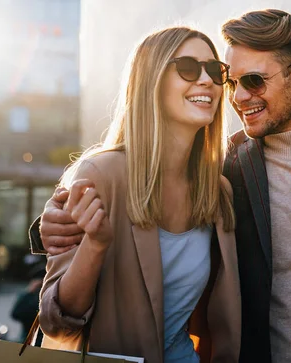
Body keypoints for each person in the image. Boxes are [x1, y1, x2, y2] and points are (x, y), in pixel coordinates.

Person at [31, 9, 291, 363]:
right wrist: (49, 226)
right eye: (233, 81)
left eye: (253, 81)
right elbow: (126, 208)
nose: (238, 96)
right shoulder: (229, 168)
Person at [34, 27, 240, 363]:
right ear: (151, 82)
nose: (207, 80)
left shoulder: (218, 192)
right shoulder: (101, 174)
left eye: (216, 71)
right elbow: (56, 323)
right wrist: (95, 245)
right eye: (188, 67)